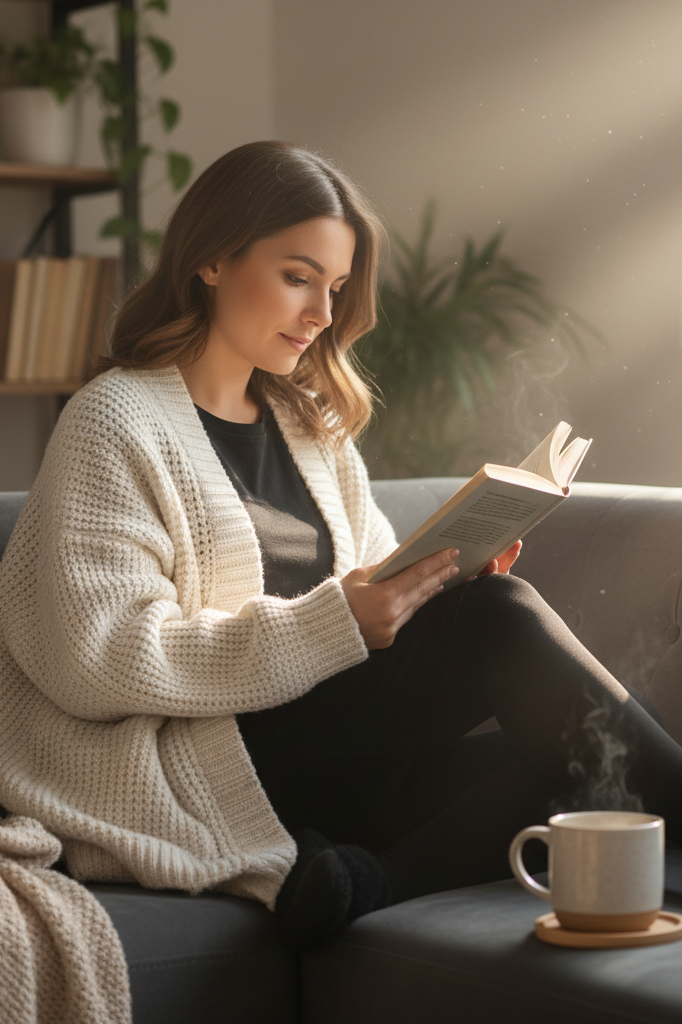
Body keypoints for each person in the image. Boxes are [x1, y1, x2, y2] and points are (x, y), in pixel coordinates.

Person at [1, 140, 681, 951]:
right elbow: (99, 656)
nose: (323, 313)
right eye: (298, 277)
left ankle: (359, 884)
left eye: (334, 287)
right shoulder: (115, 421)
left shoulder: (306, 424)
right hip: (213, 762)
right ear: (214, 260)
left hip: (335, 756)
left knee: (567, 759)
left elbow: (372, 592)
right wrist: (344, 624)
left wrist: (439, 579)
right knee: (498, 617)